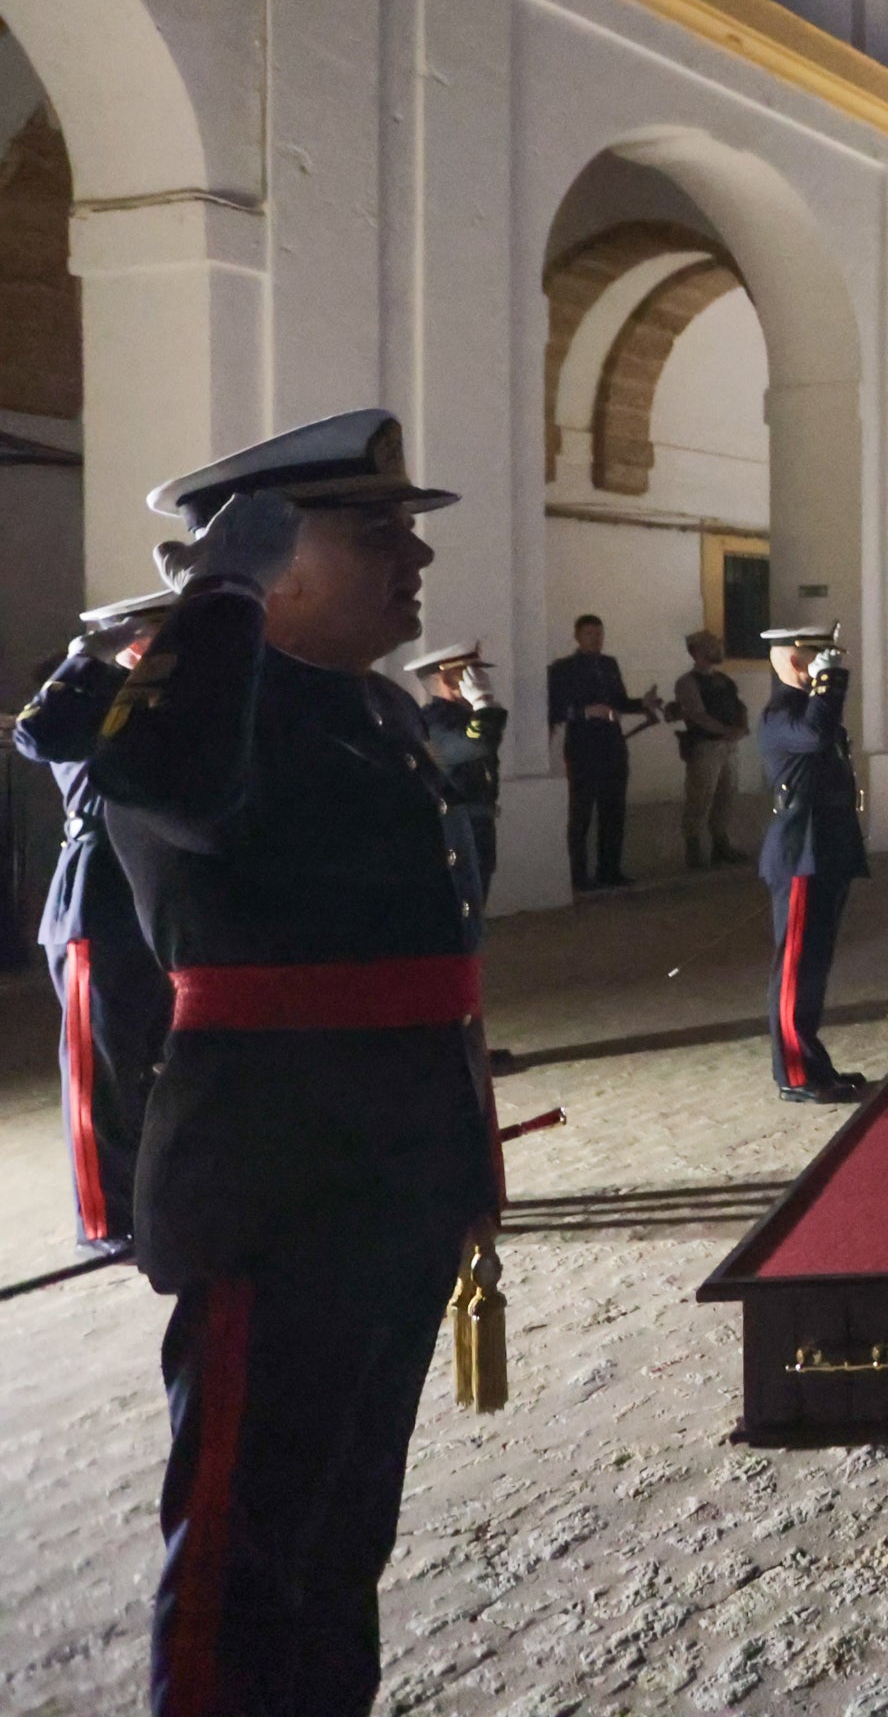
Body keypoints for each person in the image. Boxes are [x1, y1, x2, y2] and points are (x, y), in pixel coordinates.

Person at [91, 409, 499, 1717]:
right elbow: (167, 782)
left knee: (342, 1540)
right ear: (271, 556)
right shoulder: (183, 701)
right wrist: (215, 591)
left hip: (393, 1177)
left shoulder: (367, 706)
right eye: (373, 526)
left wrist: (463, 1157)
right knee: (244, 1552)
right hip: (275, 1192)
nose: (413, 552)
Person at [13, 578, 179, 1258]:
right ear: (129, 643)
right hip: (97, 912)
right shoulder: (87, 709)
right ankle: (106, 1219)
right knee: (102, 1073)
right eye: (153, 634)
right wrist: (91, 657)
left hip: (157, 912)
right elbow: (37, 733)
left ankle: (154, 1198)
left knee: (156, 1066)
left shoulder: (169, 708)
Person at [756, 624, 869, 1103]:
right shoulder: (782, 713)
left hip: (827, 847)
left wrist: (826, 690)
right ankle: (796, 1075)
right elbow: (816, 735)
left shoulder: (805, 708)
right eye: (816, 657)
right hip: (801, 850)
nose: (824, 666)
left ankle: (813, 1061)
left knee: (814, 967)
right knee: (796, 970)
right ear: (795, 661)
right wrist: (831, 687)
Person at [546, 613, 656, 890]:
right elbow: (555, 709)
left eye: (600, 634)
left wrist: (641, 703)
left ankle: (610, 870)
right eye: (590, 635)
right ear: (578, 637)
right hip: (584, 748)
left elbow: (618, 702)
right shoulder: (563, 668)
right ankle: (578, 876)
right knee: (581, 814)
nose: (597, 640)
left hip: (613, 746)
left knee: (614, 811)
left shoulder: (609, 665)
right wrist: (585, 712)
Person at [408, 640, 507, 895]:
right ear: (448, 682)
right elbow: (478, 745)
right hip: (456, 826)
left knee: (476, 900)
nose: (481, 677)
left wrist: (483, 708)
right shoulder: (433, 720)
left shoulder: (465, 716)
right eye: (471, 672)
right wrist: (484, 704)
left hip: (478, 821)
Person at [673, 629, 750, 869]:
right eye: (712, 646)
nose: (718, 650)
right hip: (705, 745)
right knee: (700, 796)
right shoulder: (687, 682)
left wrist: (741, 726)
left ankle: (720, 844)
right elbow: (696, 714)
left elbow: (739, 705)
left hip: (728, 745)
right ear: (697, 652)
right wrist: (725, 730)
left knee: (727, 794)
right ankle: (693, 849)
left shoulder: (724, 680)